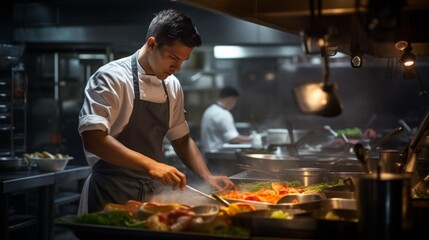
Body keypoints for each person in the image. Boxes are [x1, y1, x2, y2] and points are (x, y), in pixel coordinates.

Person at [77, 9, 235, 215]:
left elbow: (182, 140)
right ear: (152, 44)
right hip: (110, 192)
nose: (177, 68)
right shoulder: (111, 77)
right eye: (173, 58)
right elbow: (93, 139)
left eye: (182, 61)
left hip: (153, 196)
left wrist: (207, 176)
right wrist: (152, 165)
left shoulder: (172, 85)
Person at [200, 86, 252, 153]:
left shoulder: (210, 109)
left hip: (207, 153)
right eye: (235, 100)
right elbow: (233, 139)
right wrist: (253, 138)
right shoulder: (223, 114)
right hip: (217, 155)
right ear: (231, 99)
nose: (235, 104)